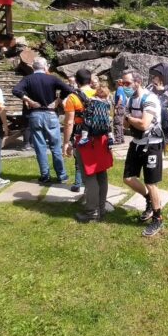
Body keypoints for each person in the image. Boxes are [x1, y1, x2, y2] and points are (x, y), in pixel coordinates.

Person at [12, 57, 73, 184]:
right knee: (55, 146)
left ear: (33, 67)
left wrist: (29, 100)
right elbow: (68, 89)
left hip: (35, 114)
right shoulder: (52, 78)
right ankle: (62, 175)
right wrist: (57, 101)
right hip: (50, 114)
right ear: (45, 67)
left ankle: (45, 175)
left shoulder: (28, 79)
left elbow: (15, 90)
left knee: (40, 146)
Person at [63, 68, 112, 222]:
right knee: (102, 174)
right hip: (102, 138)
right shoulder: (99, 93)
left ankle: (92, 212)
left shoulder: (72, 98)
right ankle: (101, 208)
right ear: (90, 80)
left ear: (76, 81)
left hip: (85, 140)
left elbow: (70, 122)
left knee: (89, 175)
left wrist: (66, 142)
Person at [122, 70, 165, 237]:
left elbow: (144, 124)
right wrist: (131, 120)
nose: (124, 87)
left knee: (151, 183)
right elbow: (124, 126)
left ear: (137, 82)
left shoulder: (150, 99)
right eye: (122, 84)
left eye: (127, 83)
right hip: (136, 143)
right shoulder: (130, 99)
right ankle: (149, 199)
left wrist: (130, 119)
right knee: (128, 178)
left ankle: (157, 218)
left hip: (151, 145)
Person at [77, 83, 115, 148]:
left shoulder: (93, 99)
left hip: (93, 123)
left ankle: (84, 137)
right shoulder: (108, 102)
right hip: (104, 125)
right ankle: (111, 137)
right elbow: (110, 113)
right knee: (108, 123)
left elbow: (85, 100)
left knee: (85, 123)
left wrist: (80, 92)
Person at [112, 79, 131, 145]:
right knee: (120, 124)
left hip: (119, 107)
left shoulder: (119, 89)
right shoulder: (123, 89)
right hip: (123, 107)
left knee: (117, 123)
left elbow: (120, 98)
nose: (116, 83)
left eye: (117, 82)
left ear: (119, 83)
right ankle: (122, 139)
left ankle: (118, 140)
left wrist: (116, 107)